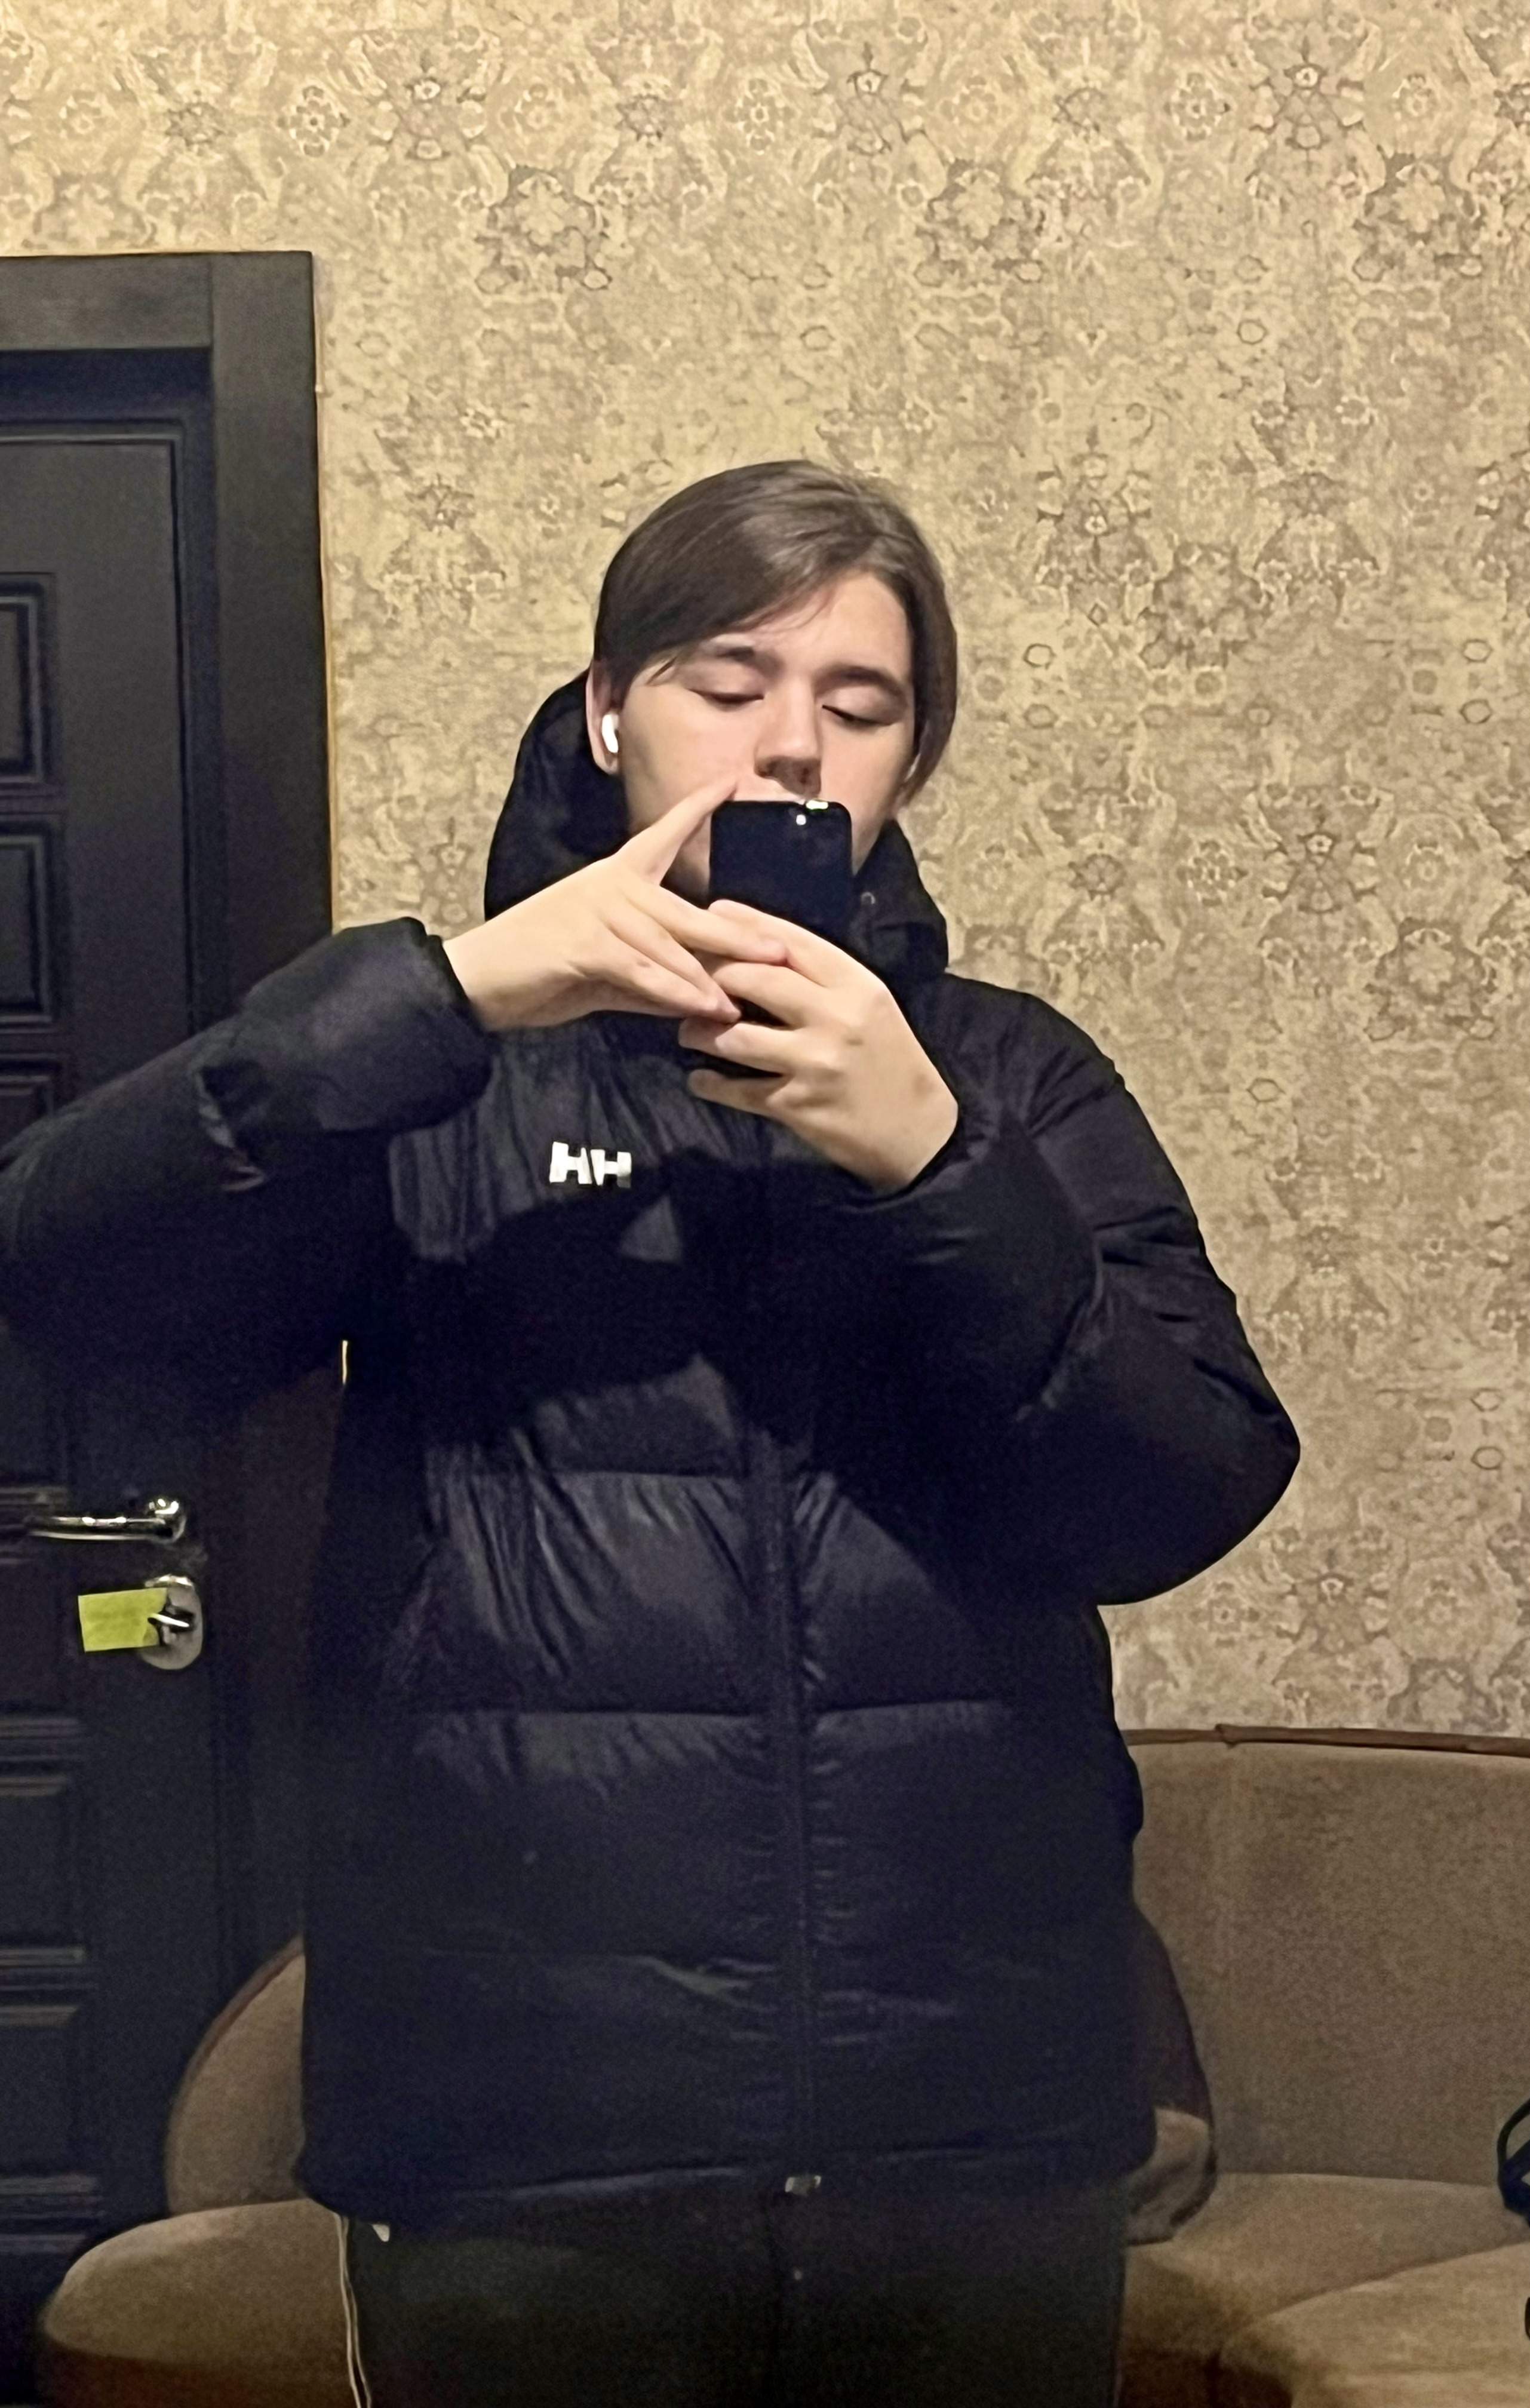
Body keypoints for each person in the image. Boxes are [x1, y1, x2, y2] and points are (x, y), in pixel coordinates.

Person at [0, 459, 1299, 2406]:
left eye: (860, 704)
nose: (791, 748)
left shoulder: (1009, 1079)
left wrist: (934, 1160)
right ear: (610, 710)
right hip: (519, 2127)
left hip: (968, 2123)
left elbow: (1181, 1489)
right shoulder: (443, 1077)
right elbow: (68, 1280)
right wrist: (453, 992)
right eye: (728, 680)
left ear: (914, 755)